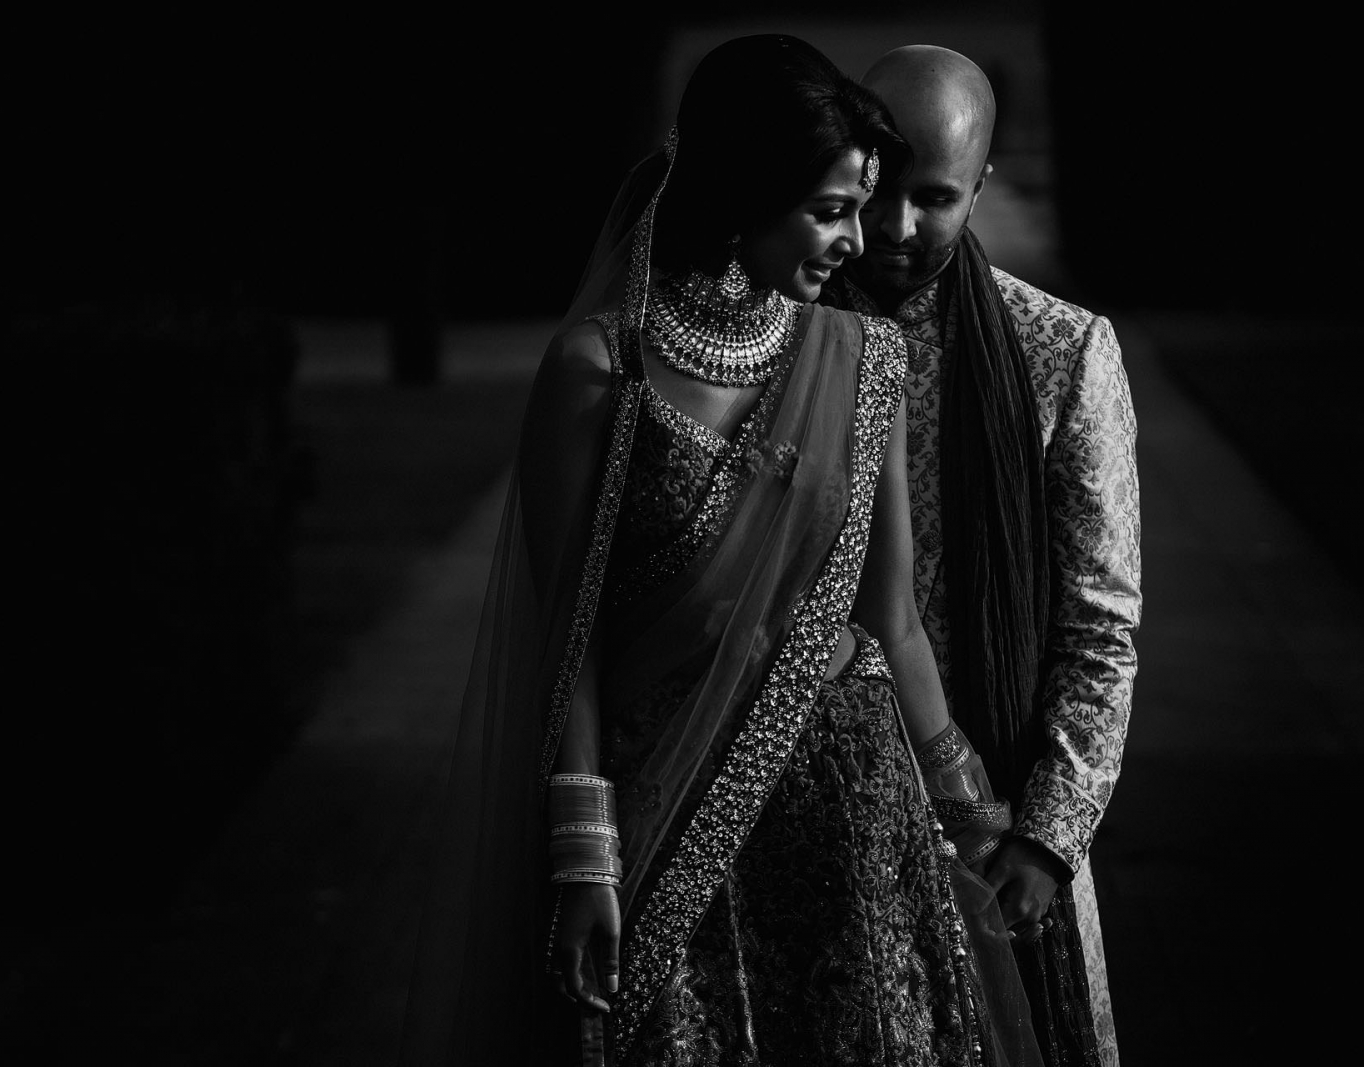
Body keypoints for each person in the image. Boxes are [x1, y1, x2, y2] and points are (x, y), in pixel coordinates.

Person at [397, 35, 1047, 1066]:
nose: (857, 240)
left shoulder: (860, 355)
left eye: (860, 206)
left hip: (848, 814)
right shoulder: (597, 370)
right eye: (830, 210)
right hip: (662, 812)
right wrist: (582, 858)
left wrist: (972, 812)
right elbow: (570, 646)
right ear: (746, 193)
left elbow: (894, 623)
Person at [821, 45, 1142, 1067]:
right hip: (822, 820)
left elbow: (1099, 626)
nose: (897, 230)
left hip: (1003, 827)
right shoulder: (789, 339)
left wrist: (1047, 837)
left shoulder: (1060, 351)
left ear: (981, 184)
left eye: (937, 197)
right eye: (881, 191)